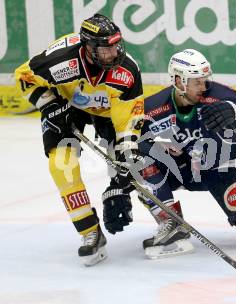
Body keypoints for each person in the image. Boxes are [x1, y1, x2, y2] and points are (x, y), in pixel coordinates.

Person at [102, 49, 236, 258]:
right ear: (179, 81)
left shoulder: (218, 95)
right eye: (197, 81)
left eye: (205, 79)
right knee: (140, 158)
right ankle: (171, 222)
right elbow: (126, 143)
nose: (204, 86)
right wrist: (117, 187)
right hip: (185, 169)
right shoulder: (154, 108)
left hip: (227, 167)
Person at [14, 14, 144, 266]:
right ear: (89, 49)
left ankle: (168, 220)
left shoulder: (126, 70)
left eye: (116, 45)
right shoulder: (59, 61)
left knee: (137, 163)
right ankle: (90, 232)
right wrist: (48, 104)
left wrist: (128, 154)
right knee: (61, 165)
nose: (114, 52)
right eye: (106, 49)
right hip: (66, 107)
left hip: (109, 113)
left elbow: (128, 119)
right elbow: (23, 77)